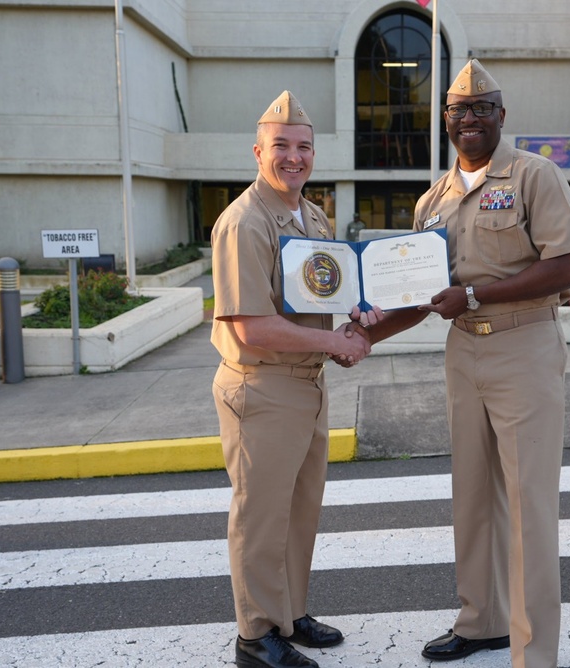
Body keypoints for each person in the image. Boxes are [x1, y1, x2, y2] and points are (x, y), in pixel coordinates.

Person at [364, 59, 570, 667]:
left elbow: (569, 265)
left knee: (529, 505)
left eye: (482, 108)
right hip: (463, 351)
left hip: (525, 347)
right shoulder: (432, 200)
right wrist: (362, 335)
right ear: (445, 119)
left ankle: (533, 652)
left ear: (501, 115)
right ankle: (483, 621)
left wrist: (474, 295)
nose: (470, 119)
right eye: (459, 110)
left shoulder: (534, 176)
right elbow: (419, 296)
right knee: (472, 495)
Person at [210, 90, 377, 668]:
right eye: (281, 146)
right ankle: (256, 636)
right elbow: (253, 327)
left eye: (303, 147)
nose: (293, 156)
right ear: (258, 151)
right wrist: (337, 343)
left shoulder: (311, 214)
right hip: (263, 386)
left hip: (306, 384)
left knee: (300, 508)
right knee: (261, 515)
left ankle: (289, 613)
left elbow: (321, 293)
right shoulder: (244, 223)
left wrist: (359, 314)